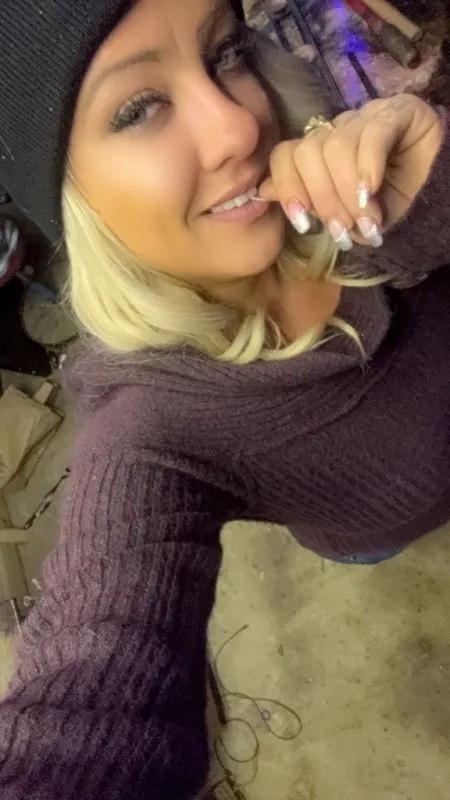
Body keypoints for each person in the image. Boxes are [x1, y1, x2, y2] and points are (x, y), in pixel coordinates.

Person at [0, 0, 448, 796]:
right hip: (380, 533)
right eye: (138, 108)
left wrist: (437, 187)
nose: (239, 125)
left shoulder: (345, 173)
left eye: (225, 53)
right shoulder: (147, 433)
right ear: (70, 199)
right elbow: (89, 708)